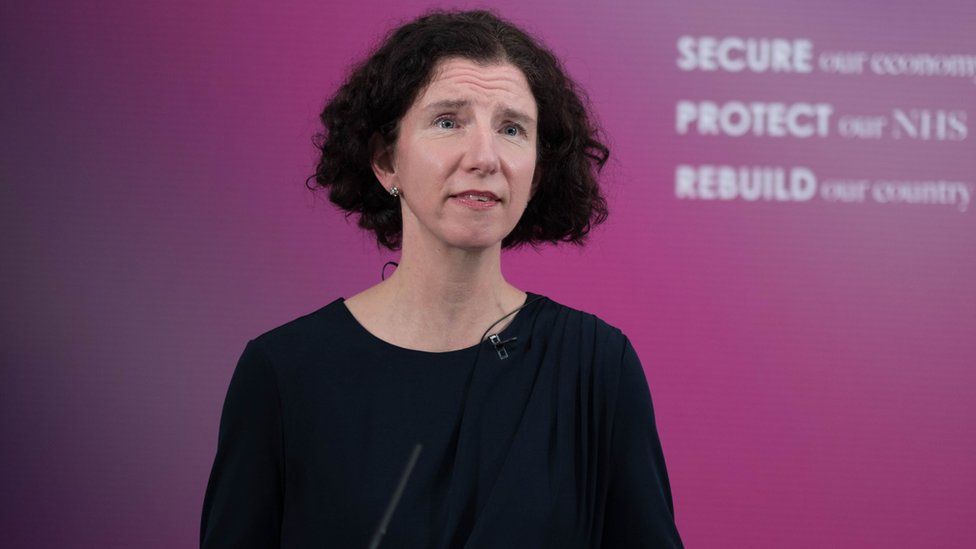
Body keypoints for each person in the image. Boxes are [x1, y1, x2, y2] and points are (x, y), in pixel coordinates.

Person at [200, 9, 682, 548]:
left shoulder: (598, 367)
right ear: (386, 161)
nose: (484, 157)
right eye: (448, 121)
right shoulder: (283, 372)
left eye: (512, 129)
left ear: (537, 172)